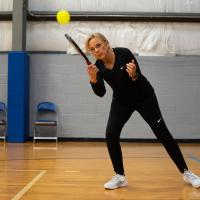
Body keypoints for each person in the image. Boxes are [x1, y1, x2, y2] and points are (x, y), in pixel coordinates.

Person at [85, 32, 200, 190]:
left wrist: (134, 75)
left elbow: (137, 77)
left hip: (144, 97)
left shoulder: (124, 53)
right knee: (111, 134)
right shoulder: (98, 67)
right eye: (92, 49)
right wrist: (93, 79)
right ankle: (120, 176)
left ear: (106, 42)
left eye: (98, 45)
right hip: (122, 102)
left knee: (163, 134)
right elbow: (101, 93)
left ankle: (187, 173)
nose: (97, 50)